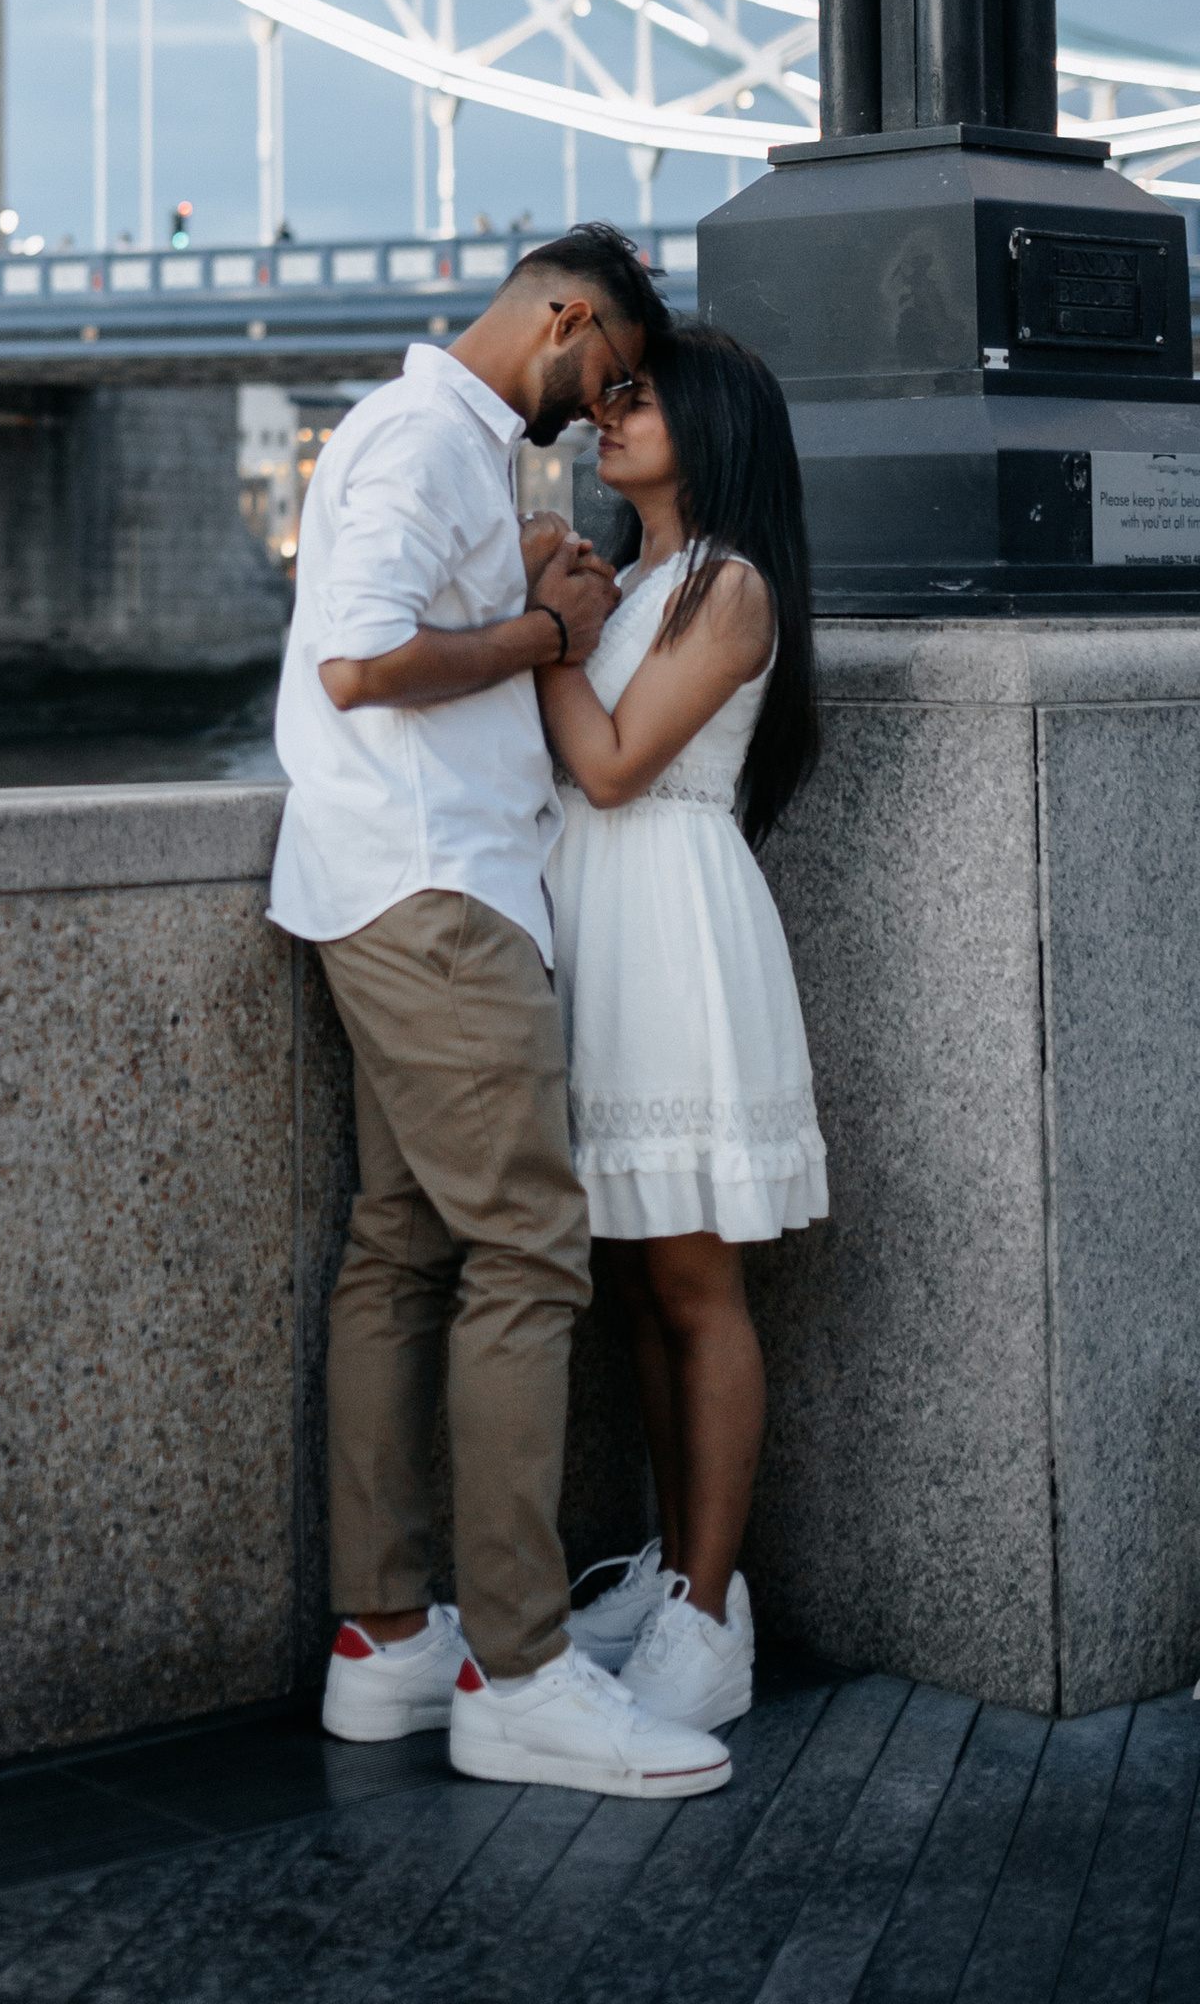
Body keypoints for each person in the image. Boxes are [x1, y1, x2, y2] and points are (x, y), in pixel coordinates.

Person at [275, 226, 733, 1804]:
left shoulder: (443, 450)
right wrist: (546, 635)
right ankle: (525, 1675)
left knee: (403, 1251)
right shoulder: (424, 437)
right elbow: (355, 661)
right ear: (564, 315)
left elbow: (403, 635)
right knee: (532, 1250)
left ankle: (389, 1640)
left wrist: (528, 585)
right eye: (604, 375)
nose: (598, 412)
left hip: (385, 881)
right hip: (436, 893)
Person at [536, 320, 827, 1737]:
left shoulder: (729, 589)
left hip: (671, 923)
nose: (608, 416)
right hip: (606, 920)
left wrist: (544, 629)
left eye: (636, 401)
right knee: (641, 1282)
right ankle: (672, 1575)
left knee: (697, 1285)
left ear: (707, 428)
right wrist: (571, 612)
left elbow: (606, 763)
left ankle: (712, 1616)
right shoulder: (644, 579)